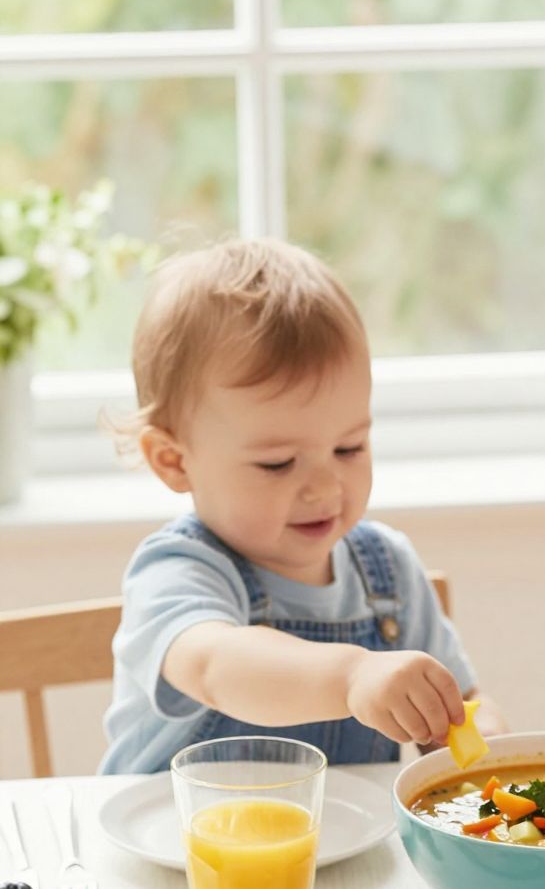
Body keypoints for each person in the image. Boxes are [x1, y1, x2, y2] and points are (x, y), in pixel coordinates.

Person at [102, 238, 490, 773]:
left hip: (336, 853)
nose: (324, 488)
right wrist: (354, 676)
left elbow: (460, 714)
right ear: (173, 460)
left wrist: (485, 744)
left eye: (349, 448)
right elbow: (218, 665)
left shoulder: (390, 574)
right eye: (278, 463)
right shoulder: (177, 572)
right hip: (177, 848)